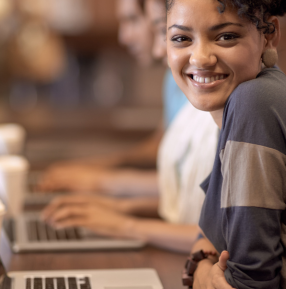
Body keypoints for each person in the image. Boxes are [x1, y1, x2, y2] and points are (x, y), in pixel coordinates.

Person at [166, 0, 286, 288]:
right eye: (181, 38)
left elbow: (248, 283)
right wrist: (201, 268)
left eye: (226, 36)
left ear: (269, 35)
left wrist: (200, 273)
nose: (200, 57)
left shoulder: (254, 102)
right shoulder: (249, 99)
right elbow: (210, 240)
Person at [41, 0, 220, 253]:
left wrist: (117, 206)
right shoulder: (187, 88)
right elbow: (184, 186)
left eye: (133, 20)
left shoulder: (225, 105)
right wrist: (121, 204)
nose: (161, 50)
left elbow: (222, 235)